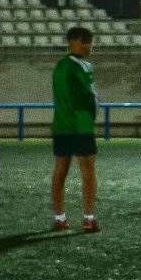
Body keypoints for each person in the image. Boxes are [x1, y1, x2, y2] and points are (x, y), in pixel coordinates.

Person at [51, 25, 99, 233]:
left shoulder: (60, 66)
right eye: (84, 42)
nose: (88, 46)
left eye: (89, 42)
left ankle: (59, 219)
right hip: (81, 126)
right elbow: (88, 97)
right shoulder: (81, 67)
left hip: (62, 125)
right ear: (72, 43)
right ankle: (89, 218)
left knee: (60, 171)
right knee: (87, 171)